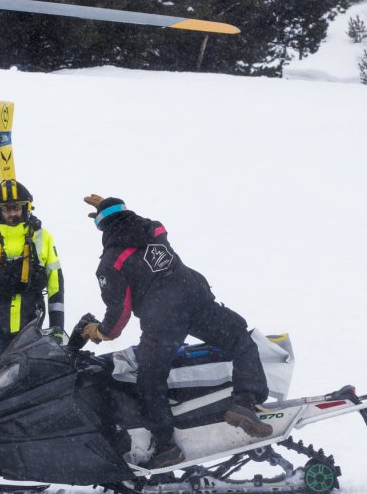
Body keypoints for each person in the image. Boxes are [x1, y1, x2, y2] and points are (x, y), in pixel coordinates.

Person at [80, 194, 271, 470]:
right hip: (195, 297)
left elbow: (118, 317)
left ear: (100, 227)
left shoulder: (110, 263)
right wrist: (109, 206)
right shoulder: (155, 229)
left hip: (163, 319)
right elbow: (131, 223)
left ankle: (167, 446)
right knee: (240, 338)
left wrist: (99, 331)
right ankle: (244, 401)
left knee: (150, 381)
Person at [0, 179, 65, 363]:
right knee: (2, 379)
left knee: (31, 379)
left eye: (16, 207)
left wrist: (57, 328)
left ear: (26, 208)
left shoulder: (43, 237)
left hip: (32, 325)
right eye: (6, 209)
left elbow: (56, 285)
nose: (12, 213)